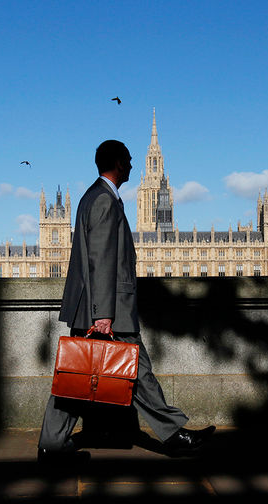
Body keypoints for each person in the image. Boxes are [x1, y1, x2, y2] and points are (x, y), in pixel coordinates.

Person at [38, 139, 215, 463]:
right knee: (114, 373)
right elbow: (102, 259)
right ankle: (175, 435)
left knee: (78, 376)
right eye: (129, 161)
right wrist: (103, 313)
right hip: (107, 310)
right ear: (118, 163)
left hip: (94, 306)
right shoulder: (104, 200)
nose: (133, 166)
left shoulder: (95, 196)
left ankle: (52, 445)